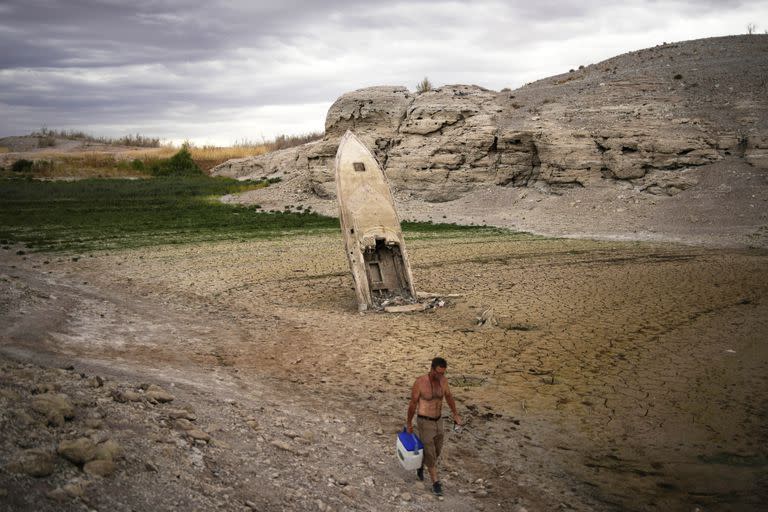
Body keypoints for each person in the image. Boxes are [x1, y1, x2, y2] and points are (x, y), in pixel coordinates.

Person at [406, 356, 461, 497]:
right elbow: (413, 404)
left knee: (437, 451)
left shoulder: (443, 381)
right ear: (432, 369)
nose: (441, 375)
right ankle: (436, 483)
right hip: (424, 421)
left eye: (443, 373)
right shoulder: (420, 382)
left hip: (438, 421)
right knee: (430, 452)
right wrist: (409, 423)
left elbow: (449, 397)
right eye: (438, 372)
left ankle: (420, 465)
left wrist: (455, 414)